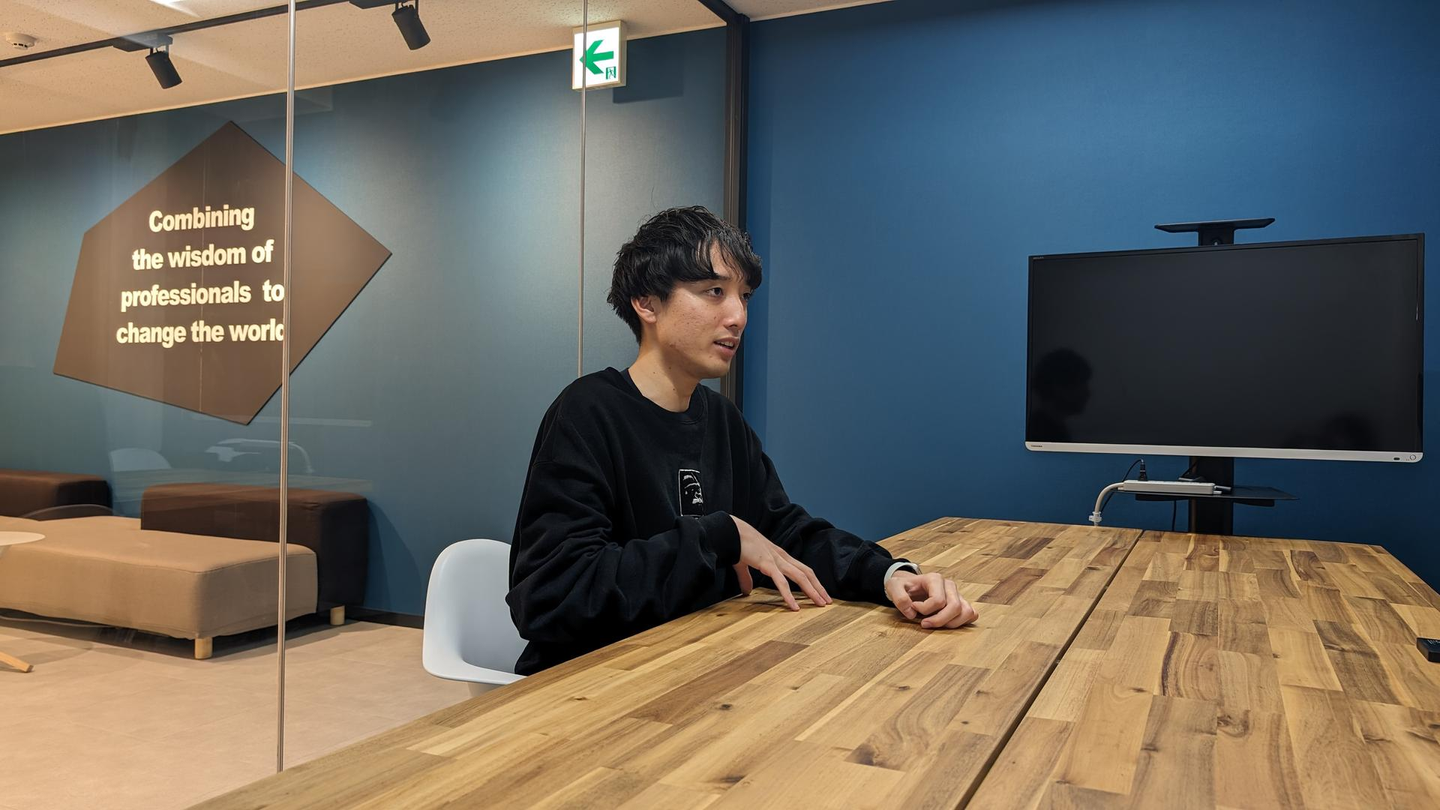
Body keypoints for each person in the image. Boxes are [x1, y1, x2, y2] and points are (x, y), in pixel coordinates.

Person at [506, 206, 977, 675]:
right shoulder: (587, 412)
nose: (738, 316)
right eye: (714, 292)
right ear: (647, 303)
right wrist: (718, 536)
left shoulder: (721, 419)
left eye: (744, 296)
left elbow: (783, 534)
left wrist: (889, 576)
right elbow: (552, 596)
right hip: (590, 685)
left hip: (692, 666)